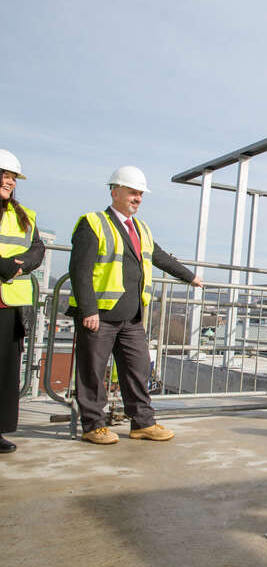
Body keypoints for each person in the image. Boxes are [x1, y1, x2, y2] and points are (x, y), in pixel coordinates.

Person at [67, 166, 203, 445]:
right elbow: (80, 270)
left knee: (138, 369)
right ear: (115, 191)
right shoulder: (92, 223)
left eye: (140, 194)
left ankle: (142, 423)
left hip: (131, 316)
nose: (137, 198)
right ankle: (93, 425)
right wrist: (89, 309)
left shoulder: (140, 228)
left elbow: (160, 257)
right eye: (132, 192)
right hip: (100, 315)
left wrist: (190, 276)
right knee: (92, 371)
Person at [0, 150, 45, 454]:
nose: (10, 181)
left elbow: (37, 248)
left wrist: (21, 264)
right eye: (4, 175)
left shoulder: (24, 215)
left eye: (13, 177)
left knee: (4, 370)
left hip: (9, 304)